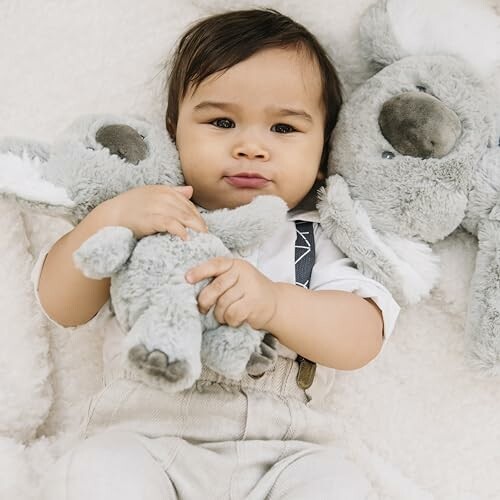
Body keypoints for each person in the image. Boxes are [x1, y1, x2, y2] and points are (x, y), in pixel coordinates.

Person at [37, 8, 400, 499]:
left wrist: (276, 303)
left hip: (285, 452)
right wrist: (110, 219)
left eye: (284, 129)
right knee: (99, 470)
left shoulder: (317, 238)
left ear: (324, 152)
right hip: (146, 438)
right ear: (174, 131)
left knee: (338, 485)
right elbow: (62, 305)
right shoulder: (152, 214)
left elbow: (362, 335)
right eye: (222, 121)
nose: (250, 146)